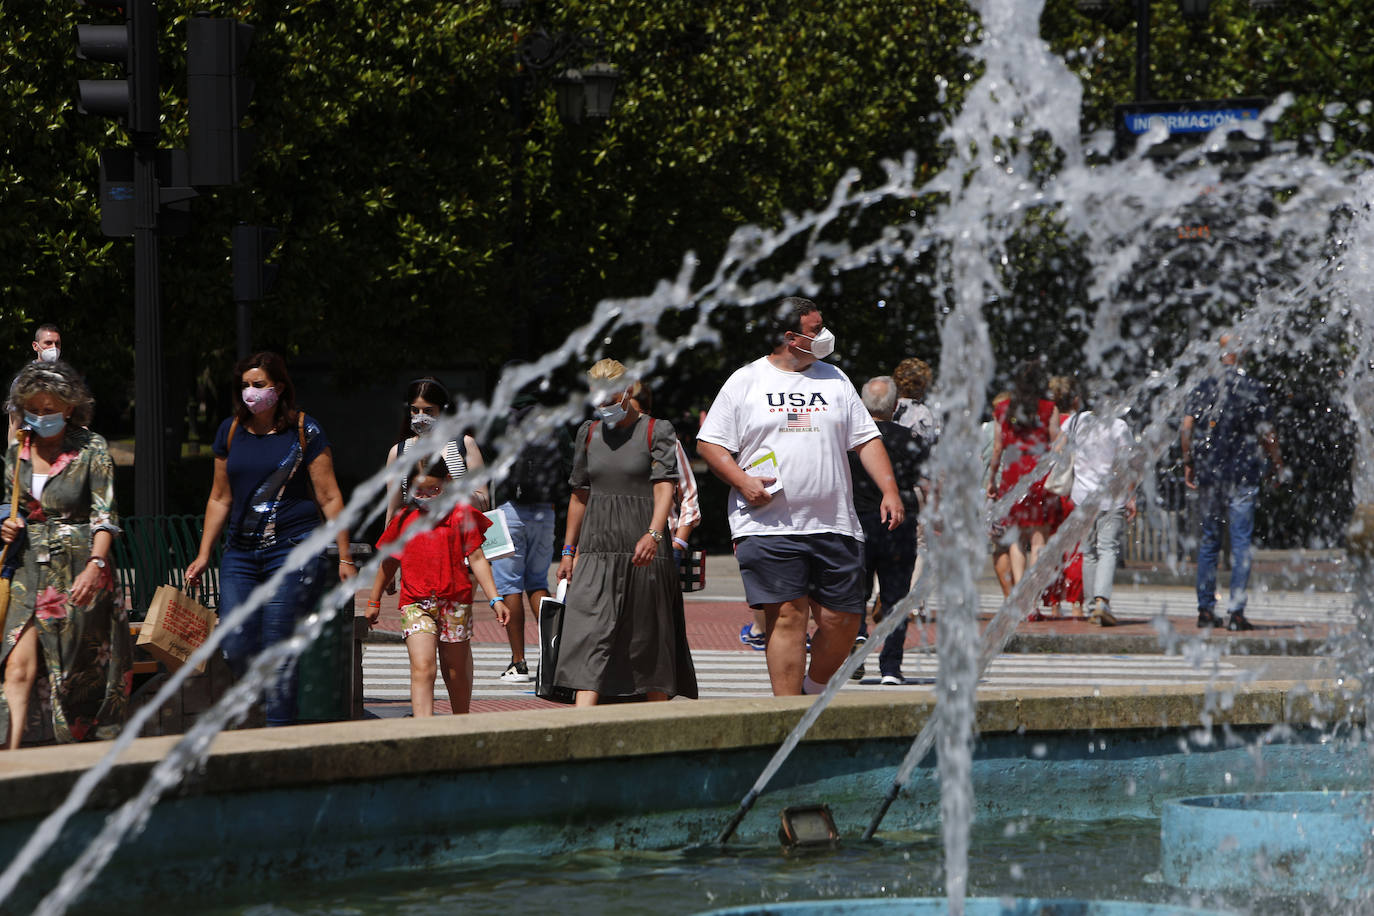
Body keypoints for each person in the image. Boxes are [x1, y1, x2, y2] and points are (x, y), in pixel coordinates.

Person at [696, 297, 904, 696]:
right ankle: (789, 713)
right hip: (768, 524)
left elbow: (866, 439)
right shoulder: (747, 381)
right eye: (815, 329)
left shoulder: (835, 379)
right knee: (787, 617)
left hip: (835, 521)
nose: (824, 335)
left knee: (843, 620)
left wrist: (889, 490)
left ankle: (812, 687)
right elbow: (710, 444)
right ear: (791, 338)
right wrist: (742, 481)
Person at [184, 352, 357, 727]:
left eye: (258, 385)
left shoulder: (304, 431)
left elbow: (329, 495)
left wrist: (345, 556)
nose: (251, 392)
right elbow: (219, 497)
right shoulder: (230, 431)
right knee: (235, 643)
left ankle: (278, 734)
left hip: (291, 549)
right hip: (240, 555)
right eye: (245, 385)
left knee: (277, 642)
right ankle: (272, 707)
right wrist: (203, 554)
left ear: (278, 388)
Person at [0, 361, 129, 747]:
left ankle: (80, 755)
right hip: (27, 570)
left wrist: (96, 565)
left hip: (79, 567)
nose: (40, 418)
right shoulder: (17, 452)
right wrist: (5, 522)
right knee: (16, 663)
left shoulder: (93, 449)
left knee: (75, 674)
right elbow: (9, 503)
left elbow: (105, 516)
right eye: (33, 410)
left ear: (69, 407)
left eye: (49, 409)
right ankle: (10, 758)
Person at [554, 359, 697, 706]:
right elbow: (579, 494)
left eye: (610, 398)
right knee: (586, 636)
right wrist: (568, 550)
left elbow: (665, 488)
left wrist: (655, 534)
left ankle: (657, 732)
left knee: (646, 642)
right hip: (596, 547)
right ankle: (580, 729)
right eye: (597, 400)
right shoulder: (587, 433)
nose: (603, 407)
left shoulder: (656, 430)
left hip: (644, 549)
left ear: (628, 391)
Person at [366, 457, 510, 715]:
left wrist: (495, 598)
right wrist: (374, 600)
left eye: (434, 490)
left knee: (454, 672)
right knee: (423, 668)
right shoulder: (403, 520)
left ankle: (459, 722)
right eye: (419, 491)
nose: (426, 497)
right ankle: (425, 731)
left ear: (448, 483)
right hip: (416, 603)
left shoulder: (460, 515)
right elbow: (388, 562)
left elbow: (477, 558)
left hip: (454, 603)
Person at [1180, 334, 1284, 631]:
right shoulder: (1252, 387)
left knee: (1209, 542)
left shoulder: (1204, 386)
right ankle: (1236, 613)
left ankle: (1205, 610)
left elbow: (1186, 428)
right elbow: (1268, 433)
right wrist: (1276, 463)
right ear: (1241, 353)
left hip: (1211, 475)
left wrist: (1189, 461)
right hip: (1243, 474)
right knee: (1240, 544)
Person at [848, 376, 929, 685]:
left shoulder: (849, 440)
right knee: (896, 596)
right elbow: (928, 484)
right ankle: (891, 667)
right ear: (896, 406)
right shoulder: (911, 439)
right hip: (899, 522)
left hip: (856, 523)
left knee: (856, 592)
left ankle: (855, 640)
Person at [488, 393, 564, 684]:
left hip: (510, 511)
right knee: (537, 582)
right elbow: (569, 462)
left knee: (509, 585)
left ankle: (518, 662)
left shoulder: (499, 418)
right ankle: (553, 659)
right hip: (546, 511)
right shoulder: (552, 419)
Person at [987, 360, 1060, 612]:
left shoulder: (1004, 409)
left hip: (1012, 475)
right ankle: (1033, 599)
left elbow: (997, 449)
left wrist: (992, 479)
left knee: (1016, 538)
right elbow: (1056, 443)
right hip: (1039, 475)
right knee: (1038, 539)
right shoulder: (1049, 408)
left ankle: (1020, 595)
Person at [1065, 389, 1137, 627]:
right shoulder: (1118, 426)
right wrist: (1131, 496)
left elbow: (1058, 448)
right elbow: (1128, 464)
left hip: (1082, 497)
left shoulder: (1077, 421)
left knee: (1089, 552)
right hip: (1111, 497)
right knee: (1108, 548)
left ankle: (1090, 605)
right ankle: (1101, 602)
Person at [385, 377, 487, 524]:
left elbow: (484, 501)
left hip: (460, 535)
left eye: (428, 411)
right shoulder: (398, 452)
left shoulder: (464, 445)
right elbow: (394, 508)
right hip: (419, 537)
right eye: (415, 410)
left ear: (442, 410)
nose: (420, 417)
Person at [891, 357, 939, 622]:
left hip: (884, 482)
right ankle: (911, 600)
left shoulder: (888, 406)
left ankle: (882, 594)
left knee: (886, 537)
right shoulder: (925, 413)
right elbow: (930, 456)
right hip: (915, 484)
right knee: (919, 543)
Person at [1040, 375, 1084, 619]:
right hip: (1076, 490)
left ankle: (1054, 602)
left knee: (1053, 547)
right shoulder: (1082, 423)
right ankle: (1077, 603)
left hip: (1052, 490)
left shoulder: (1049, 421)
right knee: (1076, 547)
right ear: (1076, 400)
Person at [9, 325, 64, 444]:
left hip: (59, 448)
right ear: (35, 346)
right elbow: (14, 424)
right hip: (30, 446)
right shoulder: (23, 381)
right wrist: (12, 459)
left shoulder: (65, 379)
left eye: (57, 343)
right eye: (48, 343)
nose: (53, 348)